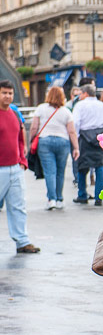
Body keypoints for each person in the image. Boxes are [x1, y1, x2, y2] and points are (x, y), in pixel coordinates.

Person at [0, 80, 39, 253]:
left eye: (10, 93)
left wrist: (22, 160)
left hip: (15, 168)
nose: (7, 96)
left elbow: (20, 138)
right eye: (4, 93)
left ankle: (22, 241)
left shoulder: (14, 114)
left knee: (18, 206)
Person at [30, 86, 79, 209]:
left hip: (45, 141)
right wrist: (76, 148)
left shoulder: (41, 108)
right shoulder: (66, 111)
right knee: (60, 172)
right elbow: (72, 131)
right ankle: (59, 199)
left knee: (49, 172)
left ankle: (51, 199)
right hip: (63, 141)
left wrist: (31, 140)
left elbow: (34, 127)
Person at [72, 85, 103, 205]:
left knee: (82, 167)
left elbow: (76, 123)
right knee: (100, 166)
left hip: (84, 138)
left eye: (80, 94)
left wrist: (76, 138)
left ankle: (82, 194)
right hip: (100, 137)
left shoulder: (80, 105)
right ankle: (99, 196)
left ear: (85, 94)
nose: (79, 96)